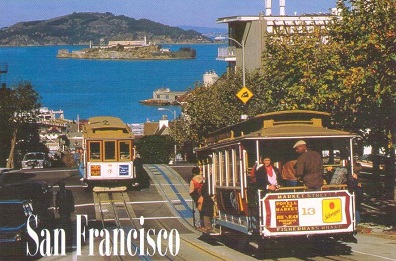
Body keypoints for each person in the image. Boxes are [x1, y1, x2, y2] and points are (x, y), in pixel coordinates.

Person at [189, 166, 214, 232]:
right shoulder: (203, 179)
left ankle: (198, 225)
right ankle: (204, 224)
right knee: (204, 209)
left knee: (197, 210)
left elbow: (191, 191)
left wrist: (195, 197)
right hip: (204, 196)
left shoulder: (193, 180)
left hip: (197, 197)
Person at [55, 182, 75, 247]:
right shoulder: (58, 193)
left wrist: (72, 207)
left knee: (68, 219)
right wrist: (56, 207)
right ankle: (64, 230)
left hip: (67, 208)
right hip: (62, 209)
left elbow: (72, 200)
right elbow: (57, 201)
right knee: (62, 219)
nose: (61, 187)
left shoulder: (69, 192)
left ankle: (68, 231)